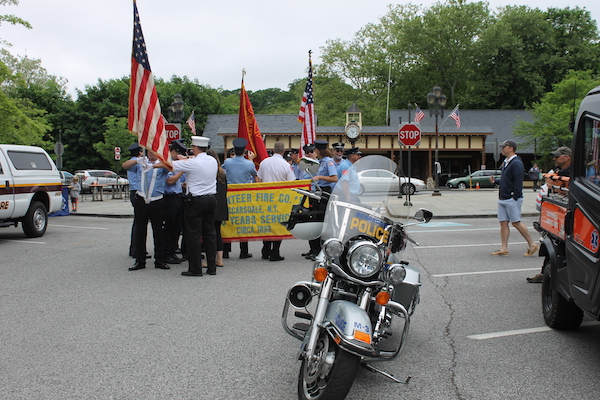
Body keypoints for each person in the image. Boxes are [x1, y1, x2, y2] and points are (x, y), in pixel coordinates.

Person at [171, 136, 218, 277]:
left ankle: (195, 268)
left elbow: (170, 165)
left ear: (195, 148)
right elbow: (189, 161)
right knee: (210, 234)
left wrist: (153, 164)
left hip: (196, 201)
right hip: (211, 198)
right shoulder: (213, 160)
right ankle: (212, 267)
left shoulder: (193, 163)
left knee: (193, 235)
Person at [527, 146, 572, 283]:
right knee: (554, 243)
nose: (554, 159)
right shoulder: (560, 172)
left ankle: (552, 274)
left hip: (568, 213)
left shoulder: (574, 172)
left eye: (557, 156)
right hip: (559, 212)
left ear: (566, 157)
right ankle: (546, 271)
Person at [122, 150, 170, 271]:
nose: (151, 154)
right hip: (141, 199)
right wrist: (137, 160)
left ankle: (160, 260)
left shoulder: (161, 164)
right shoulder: (140, 163)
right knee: (140, 231)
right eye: (149, 151)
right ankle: (140, 260)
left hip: (157, 200)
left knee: (158, 231)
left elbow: (170, 166)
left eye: (154, 152)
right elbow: (124, 166)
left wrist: (154, 165)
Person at [489, 140, 538, 258]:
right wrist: (496, 182)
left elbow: (518, 180)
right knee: (503, 223)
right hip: (503, 197)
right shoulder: (506, 162)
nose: (502, 149)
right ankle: (504, 248)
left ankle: (532, 244)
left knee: (516, 222)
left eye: (504, 147)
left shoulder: (516, 163)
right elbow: (507, 180)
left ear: (511, 148)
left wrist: (515, 196)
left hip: (511, 198)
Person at [257, 141, 296, 261]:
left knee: (267, 223)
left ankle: (265, 250)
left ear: (273, 150)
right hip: (280, 199)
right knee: (279, 224)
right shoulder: (285, 165)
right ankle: (275, 251)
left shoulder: (264, 162)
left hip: (265, 198)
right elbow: (292, 182)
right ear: (284, 151)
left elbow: (258, 179)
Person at [222, 137, 256, 259]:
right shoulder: (249, 163)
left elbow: (222, 170)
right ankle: (243, 251)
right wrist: (251, 159)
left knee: (227, 222)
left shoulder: (227, 162)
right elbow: (254, 174)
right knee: (243, 222)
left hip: (230, 195)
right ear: (245, 151)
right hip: (244, 197)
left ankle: (225, 251)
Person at [305, 139, 338, 260]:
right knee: (313, 220)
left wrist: (319, 177)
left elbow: (335, 178)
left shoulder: (329, 162)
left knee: (321, 221)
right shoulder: (320, 161)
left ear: (318, 150)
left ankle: (319, 251)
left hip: (324, 192)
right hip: (316, 193)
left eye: (315, 149)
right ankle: (313, 249)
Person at [163, 139, 187, 265]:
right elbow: (170, 181)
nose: (179, 157)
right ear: (172, 152)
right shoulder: (167, 164)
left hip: (177, 196)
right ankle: (167, 253)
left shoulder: (176, 164)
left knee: (177, 227)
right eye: (178, 154)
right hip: (169, 197)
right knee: (170, 226)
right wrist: (182, 170)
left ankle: (172, 250)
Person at [207, 148, 228, 268]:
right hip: (221, 206)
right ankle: (219, 259)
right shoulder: (222, 174)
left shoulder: (209, 173)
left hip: (211, 204)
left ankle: (210, 258)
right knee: (218, 232)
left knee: (209, 233)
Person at [126, 143, 145, 259]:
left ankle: (134, 249)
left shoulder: (132, 162)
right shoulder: (137, 163)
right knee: (139, 223)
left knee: (138, 222)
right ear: (139, 152)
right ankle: (136, 250)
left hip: (134, 192)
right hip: (137, 192)